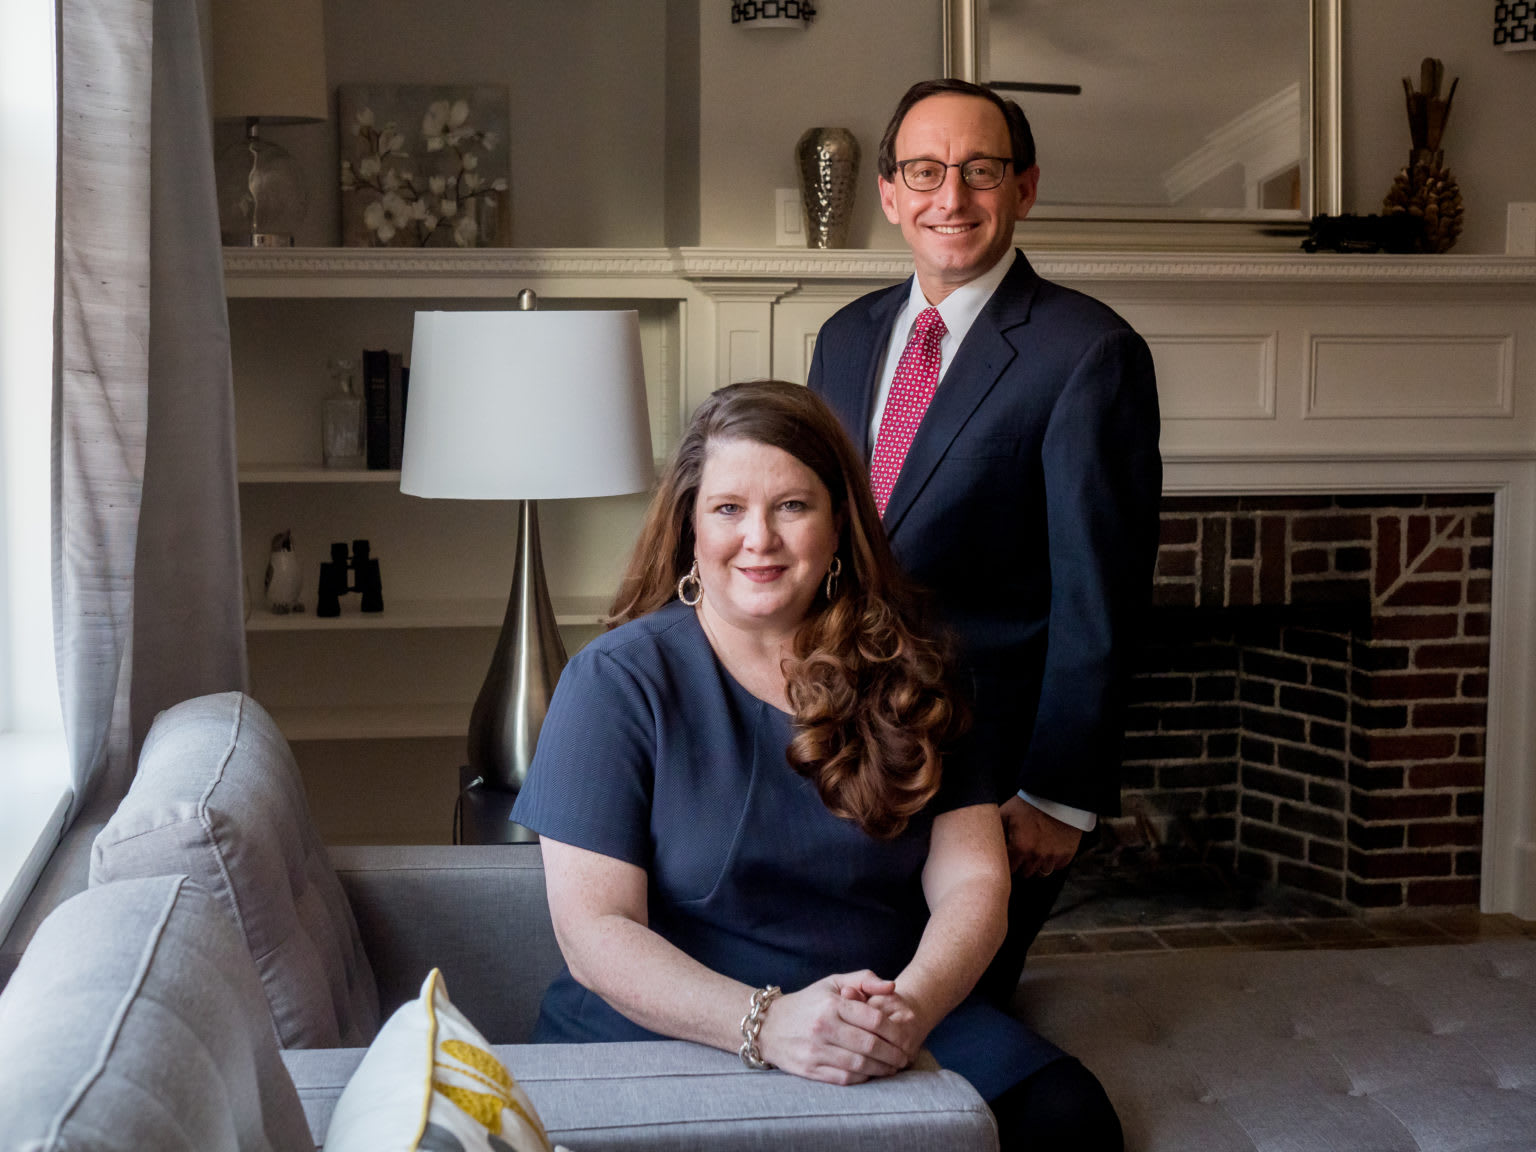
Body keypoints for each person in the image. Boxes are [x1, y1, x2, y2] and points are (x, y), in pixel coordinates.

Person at [511, 381, 1123, 1150]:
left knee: (1070, 1120)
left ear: (838, 525)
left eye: (792, 506)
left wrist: (908, 1011)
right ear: (690, 527)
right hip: (675, 1025)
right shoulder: (615, 682)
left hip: (882, 1006)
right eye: (728, 508)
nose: (759, 538)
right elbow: (594, 931)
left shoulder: (917, 669)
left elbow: (973, 882)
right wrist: (768, 1023)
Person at [808, 79, 1162, 1005]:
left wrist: (1058, 792)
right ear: (890, 194)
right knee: (845, 998)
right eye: (925, 171)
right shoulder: (843, 339)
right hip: (850, 748)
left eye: (981, 170)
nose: (951, 197)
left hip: (993, 775)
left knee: (948, 1013)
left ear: (1026, 188)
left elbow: (1101, 594)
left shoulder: (1088, 352)